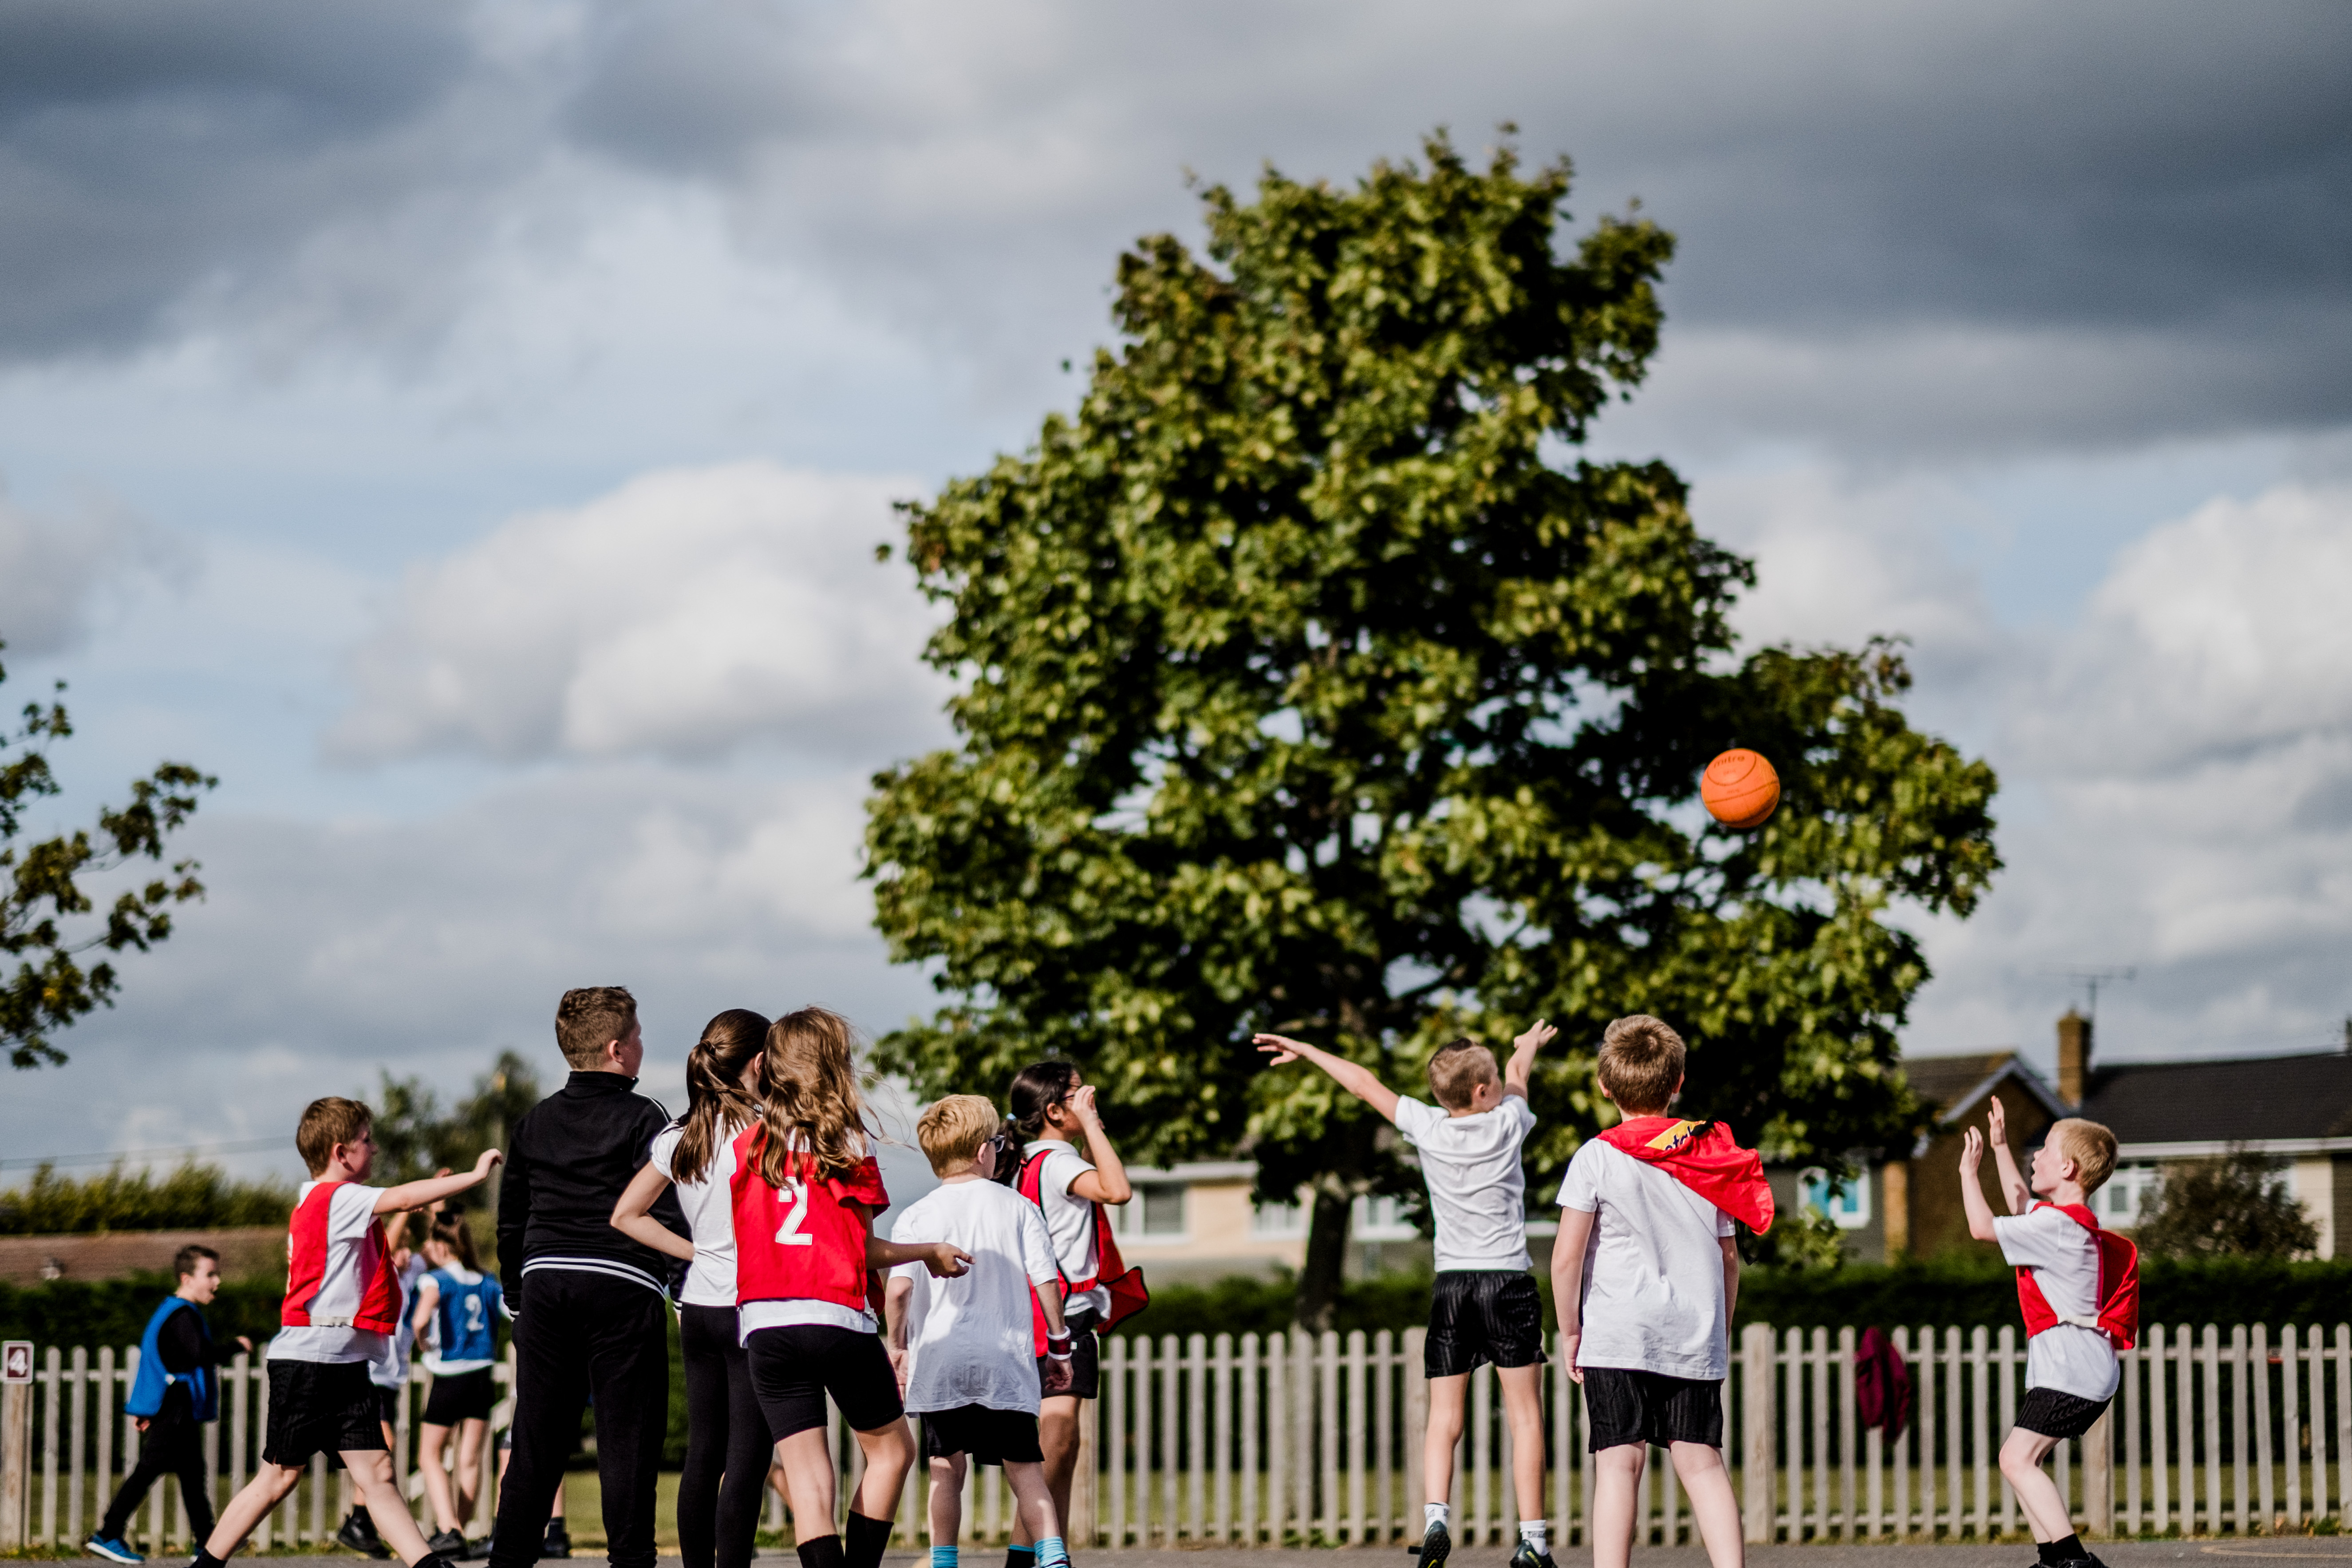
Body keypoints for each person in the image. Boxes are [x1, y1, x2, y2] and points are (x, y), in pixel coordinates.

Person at [1256, 1023, 1555, 1568]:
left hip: (1452, 1285)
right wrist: (1526, 1048)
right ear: (1482, 1092)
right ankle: (1532, 1541)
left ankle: (1435, 1518)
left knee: (1444, 1416)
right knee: (1525, 1415)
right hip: (1507, 1280)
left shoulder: (1427, 1126)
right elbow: (1518, 1080)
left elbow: (1362, 1083)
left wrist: (1306, 1049)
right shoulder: (1509, 1121)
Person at [191, 1098, 497, 1568]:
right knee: (278, 1477)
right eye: (366, 1140)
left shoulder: (322, 1199)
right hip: (310, 1358)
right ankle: (205, 1564)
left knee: (377, 1472)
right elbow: (402, 1198)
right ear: (341, 1151)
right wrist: (476, 1175)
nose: (373, 1148)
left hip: (342, 1359)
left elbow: (395, 1212)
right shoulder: (336, 1197)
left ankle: (431, 1566)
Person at [733, 1006, 970, 1568]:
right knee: (891, 1451)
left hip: (765, 1322)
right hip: (833, 1314)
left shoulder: (746, 1144)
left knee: (809, 1480)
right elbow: (865, 1250)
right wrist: (930, 1251)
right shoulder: (844, 1139)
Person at [1551, 1016, 1773, 1568]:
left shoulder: (1596, 1157)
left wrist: (1570, 1331)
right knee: (1702, 1463)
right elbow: (1727, 1257)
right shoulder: (1710, 1154)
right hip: (1692, 1329)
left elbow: (1565, 1258)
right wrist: (1717, 1329)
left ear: (1605, 1086)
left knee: (1617, 1464)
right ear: (1677, 1082)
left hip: (1617, 1332)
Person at [487, 985, 691, 1568]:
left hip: (546, 1282)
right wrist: (682, 1281)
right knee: (627, 1440)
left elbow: (512, 1217)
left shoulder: (534, 1121)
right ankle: (630, 1561)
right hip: (622, 1284)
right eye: (638, 1035)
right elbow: (662, 1206)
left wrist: (515, 1293)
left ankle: (509, 1561)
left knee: (535, 1444)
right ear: (617, 1049)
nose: (642, 1044)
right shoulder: (643, 1115)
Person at [883, 1095, 1077, 1568]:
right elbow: (1045, 1279)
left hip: (941, 1357)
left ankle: (944, 1561)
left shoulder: (916, 1215)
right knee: (1025, 1470)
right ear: (981, 1151)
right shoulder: (1017, 1207)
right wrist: (1058, 1344)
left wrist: (899, 1344)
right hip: (1004, 1359)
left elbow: (898, 1292)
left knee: (945, 1469)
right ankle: (1052, 1557)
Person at [610, 1008, 773, 1568]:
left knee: (703, 1451)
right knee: (747, 1456)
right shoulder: (767, 1132)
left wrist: (696, 1251)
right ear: (759, 1062)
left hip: (697, 1303)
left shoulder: (679, 1136)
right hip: (750, 1305)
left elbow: (627, 1214)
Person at [1961, 1100, 2135, 1568]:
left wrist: (1967, 1173)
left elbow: (1982, 1226)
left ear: (2066, 1166)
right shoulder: (2064, 1222)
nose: (2033, 1157)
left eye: (2042, 1150)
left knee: (2015, 1459)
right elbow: (2020, 1203)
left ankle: (2073, 1561)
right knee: (2021, 1461)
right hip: (2075, 1369)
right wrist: (2000, 1146)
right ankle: (2051, 1561)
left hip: (2071, 1370)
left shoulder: (2056, 1226)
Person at [997, 1062, 1140, 1568]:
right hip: (1062, 1314)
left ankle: (1047, 1553)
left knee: (1065, 1441)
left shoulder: (1024, 1159)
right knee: (1055, 1439)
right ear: (1054, 1110)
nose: (1090, 1098)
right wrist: (1095, 1125)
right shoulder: (1057, 1162)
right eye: (1078, 1093)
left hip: (1032, 1312)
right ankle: (1026, 1556)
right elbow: (1117, 1189)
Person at [84, 1245, 254, 1564]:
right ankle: (107, 1533)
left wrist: (145, 1407)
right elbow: (199, 1355)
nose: (217, 1281)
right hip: (175, 1405)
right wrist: (237, 1346)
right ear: (187, 1278)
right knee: (150, 1467)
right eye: (211, 1274)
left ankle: (206, 1540)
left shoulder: (172, 1310)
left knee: (192, 1472)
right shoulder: (183, 1313)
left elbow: (158, 1358)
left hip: (174, 1404)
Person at [410, 1213, 505, 1556]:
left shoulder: (436, 1280)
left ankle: (449, 1528)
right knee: (470, 1459)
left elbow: (421, 1319)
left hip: (450, 1375)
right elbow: (512, 1312)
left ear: (439, 1245)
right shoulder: (488, 1280)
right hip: (482, 1375)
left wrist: (423, 1343)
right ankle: (459, 1533)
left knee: (429, 1455)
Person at [341, 1210, 432, 1559]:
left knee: (377, 1449)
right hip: (369, 1370)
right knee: (382, 1444)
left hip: (391, 1375)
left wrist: (435, 1206)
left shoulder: (414, 1272)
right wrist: (406, 1208)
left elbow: (440, 1248)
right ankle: (360, 1518)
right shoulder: (375, 1268)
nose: (402, 1252)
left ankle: (360, 1520)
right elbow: (388, 1243)